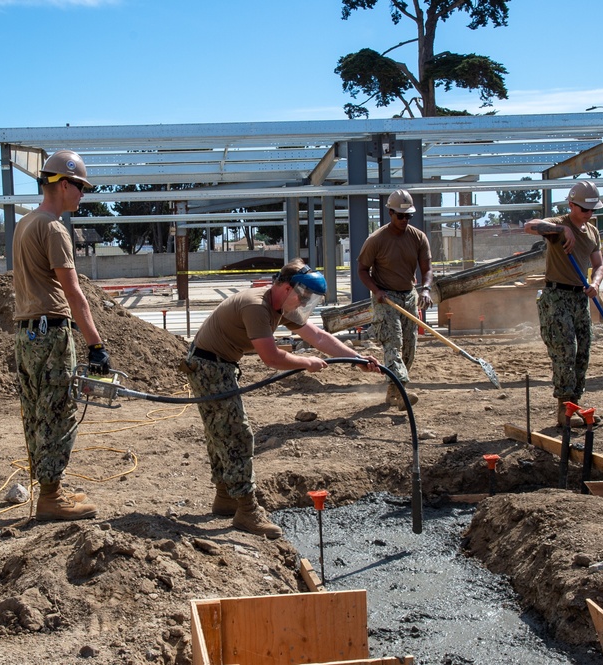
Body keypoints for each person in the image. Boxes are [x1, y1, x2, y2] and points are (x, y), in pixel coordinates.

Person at [184, 259, 380, 539]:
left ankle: (226, 497)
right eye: (302, 296)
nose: (303, 302)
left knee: (221, 432)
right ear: (286, 287)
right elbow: (271, 358)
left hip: (217, 364)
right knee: (237, 434)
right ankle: (246, 511)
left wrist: (356, 359)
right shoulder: (257, 306)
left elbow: (317, 336)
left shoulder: (280, 305)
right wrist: (305, 363)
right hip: (208, 367)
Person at [13, 149, 110, 521]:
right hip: (51, 333)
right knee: (58, 411)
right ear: (63, 183)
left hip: (27, 334)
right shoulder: (53, 227)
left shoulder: (26, 222)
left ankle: (50, 487)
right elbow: (73, 293)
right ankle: (51, 498)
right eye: (80, 188)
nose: (82, 195)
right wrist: (96, 345)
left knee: (38, 412)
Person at [523, 181, 603, 427]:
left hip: (580, 298)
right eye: (584, 210)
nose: (589, 215)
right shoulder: (558, 224)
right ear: (571, 205)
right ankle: (563, 409)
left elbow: (599, 265)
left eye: (592, 210)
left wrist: (596, 284)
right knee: (565, 351)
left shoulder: (593, 232)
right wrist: (561, 231)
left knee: (583, 351)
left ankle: (575, 405)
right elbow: (529, 226)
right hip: (557, 297)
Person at [356, 189, 432, 408]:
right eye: (401, 215)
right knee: (393, 342)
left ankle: (392, 393)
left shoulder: (418, 237)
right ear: (390, 213)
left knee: (409, 347)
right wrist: (376, 291)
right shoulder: (376, 240)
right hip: (385, 298)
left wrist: (425, 289)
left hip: (409, 296)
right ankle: (401, 391)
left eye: (409, 216)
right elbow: (362, 270)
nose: (405, 220)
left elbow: (427, 268)